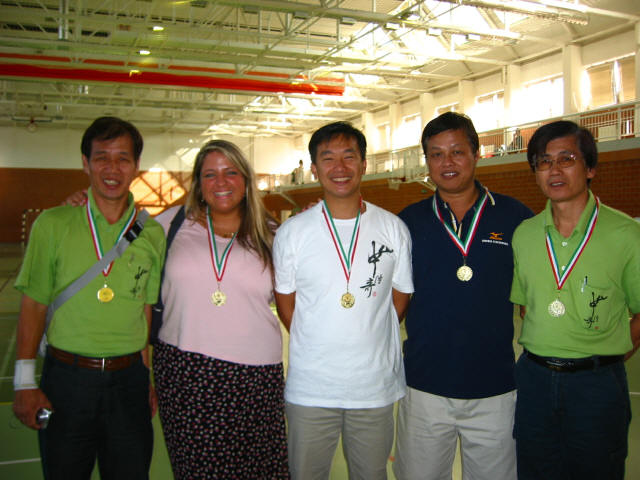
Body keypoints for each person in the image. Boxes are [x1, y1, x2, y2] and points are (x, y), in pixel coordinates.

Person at [12, 116, 166, 480]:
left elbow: (144, 308)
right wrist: (24, 382)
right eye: (101, 158)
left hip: (129, 382)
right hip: (67, 382)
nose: (112, 168)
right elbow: (33, 304)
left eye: (123, 158)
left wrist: (146, 377)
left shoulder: (152, 233)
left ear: (136, 165)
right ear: (85, 163)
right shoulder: (53, 224)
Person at [394, 112, 533, 480]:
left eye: (457, 151)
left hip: (495, 388)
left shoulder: (515, 216)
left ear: (476, 154)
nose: (447, 162)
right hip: (424, 387)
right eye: (436, 154)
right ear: (427, 162)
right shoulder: (407, 222)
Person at [273, 121, 414, 480]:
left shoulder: (393, 228)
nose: (340, 167)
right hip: (311, 388)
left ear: (364, 164)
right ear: (314, 168)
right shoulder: (293, 232)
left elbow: (400, 296)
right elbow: (286, 301)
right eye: (328, 158)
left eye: (349, 157)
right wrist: (318, 334)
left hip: (374, 388)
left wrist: (368, 327)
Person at [510, 120, 640, 480]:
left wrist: (604, 355)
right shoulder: (525, 235)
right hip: (534, 380)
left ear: (590, 167)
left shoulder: (626, 234)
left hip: (597, 385)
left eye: (566, 159)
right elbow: (526, 307)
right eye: (544, 161)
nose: (554, 170)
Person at [152, 139, 289, 479]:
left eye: (231, 172)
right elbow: (114, 237)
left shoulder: (275, 234)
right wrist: (81, 205)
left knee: (261, 471)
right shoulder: (169, 223)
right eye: (210, 174)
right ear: (199, 184)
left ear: (246, 180)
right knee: (198, 470)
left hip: (257, 377)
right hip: (186, 373)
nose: (221, 182)